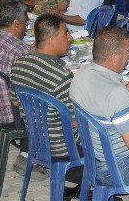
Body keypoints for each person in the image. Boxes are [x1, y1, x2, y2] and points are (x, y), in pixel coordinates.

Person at [70, 26, 129, 190]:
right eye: (127, 51)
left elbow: (104, 103)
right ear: (114, 57)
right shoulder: (117, 95)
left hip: (93, 160)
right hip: (121, 168)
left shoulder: (82, 74)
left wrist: (127, 91)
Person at [10, 15, 79, 163]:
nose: (70, 37)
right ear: (51, 40)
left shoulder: (19, 63)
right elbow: (75, 123)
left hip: (35, 141)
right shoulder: (61, 76)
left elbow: (15, 102)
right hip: (63, 148)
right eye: (65, 33)